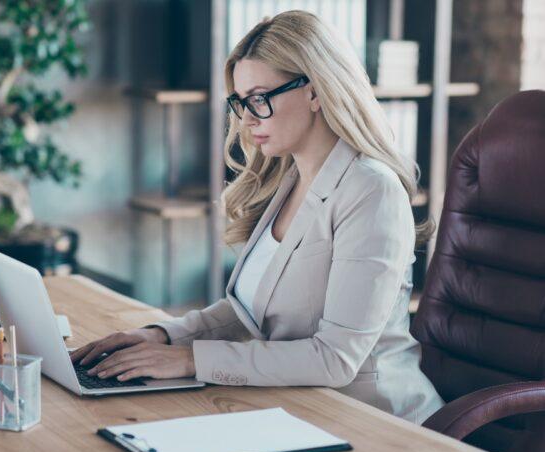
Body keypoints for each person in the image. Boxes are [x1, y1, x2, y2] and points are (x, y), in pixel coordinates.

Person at [70, 10, 445, 424]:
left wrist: (190, 359)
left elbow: (336, 360)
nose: (247, 119)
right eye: (241, 102)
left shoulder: (372, 191)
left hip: (375, 421)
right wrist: (161, 336)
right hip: (300, 408)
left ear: (316, 91)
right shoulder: (291, 178)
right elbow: (248, 312)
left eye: (260, 98)